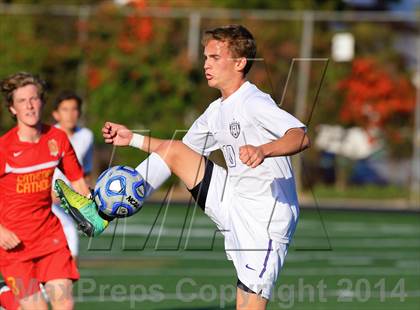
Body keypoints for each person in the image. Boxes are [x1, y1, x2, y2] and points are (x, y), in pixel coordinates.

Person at [56, 25, 310, 309]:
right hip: (234, 198)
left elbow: (299, 135)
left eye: (214, 57)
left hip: (265, 217)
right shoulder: (216, 111)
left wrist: (264, 150)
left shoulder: (254, 102)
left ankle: (99, 212)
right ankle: (99, 212)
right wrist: (134, 139)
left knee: (249, 303)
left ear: (239, 63)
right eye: (206, 57)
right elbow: (177, 153)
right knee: (176, 151)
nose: (206, 64)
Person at [0, 72, 93, 309]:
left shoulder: (57, 139)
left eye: (34, 99)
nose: (29, 106)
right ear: (12, 109)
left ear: (41, 101)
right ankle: (7, 297)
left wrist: (99, 207)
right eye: (22, 101)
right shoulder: (4, 148)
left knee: (64, 304)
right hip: (14, 245)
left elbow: (79, 183)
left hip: (50, 238)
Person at [51, 91, 94, 259]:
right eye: (65, 109)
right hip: (44, 198)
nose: (70, 114)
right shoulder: (48, 135)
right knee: (68, 232)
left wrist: (88, 199)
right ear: (56, 114)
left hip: (69, 200)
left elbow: (86, 172)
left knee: (66, 243)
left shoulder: (86, 136)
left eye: (74, 109)